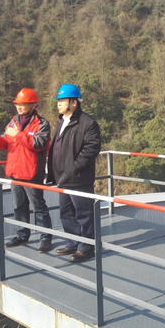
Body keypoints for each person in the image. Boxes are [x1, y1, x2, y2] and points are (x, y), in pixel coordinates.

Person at [0, 88, 53, 253]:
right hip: (15, 173)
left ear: (33, 105)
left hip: (32, 173)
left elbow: (38, 144)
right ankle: (22, 235)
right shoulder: (13, 122)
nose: (19, 107)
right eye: (17, 104)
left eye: (23, 104)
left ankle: (45, 238)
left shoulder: (42, 124)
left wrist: (18, 134)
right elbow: (5, 144)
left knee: (38, 207)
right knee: (19, 207)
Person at [46, 84, 101, 263]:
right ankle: (72, 242)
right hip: (62, 178)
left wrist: (73, 168)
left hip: (78, 178)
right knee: (66, 213)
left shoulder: (88, 123)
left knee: (84, 214)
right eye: (58, 100)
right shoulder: (61, 122)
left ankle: (86, 248)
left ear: (74, 102)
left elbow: (91, 149)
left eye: (62, 100)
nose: (59, 104)